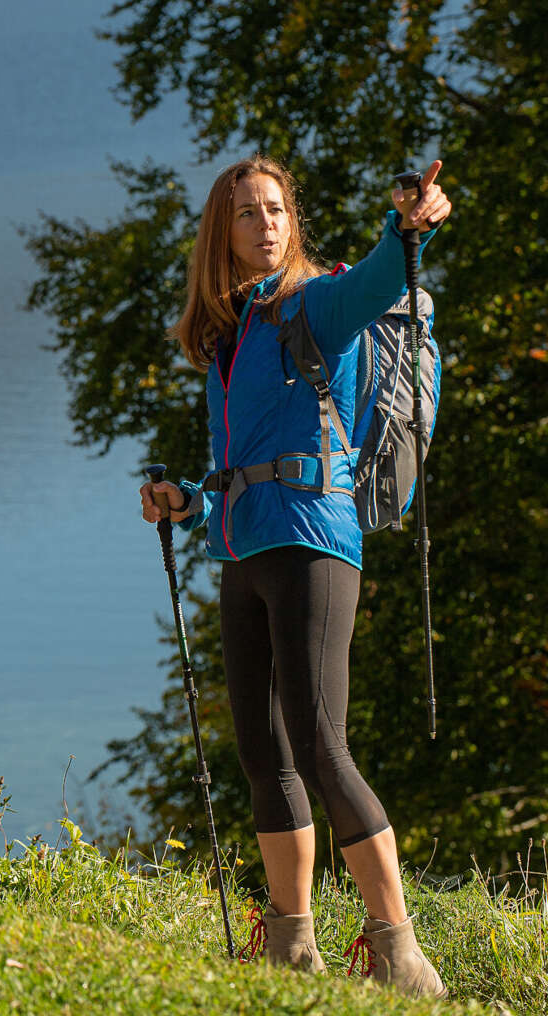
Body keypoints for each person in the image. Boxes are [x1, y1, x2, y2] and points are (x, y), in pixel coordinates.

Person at [139, 157, 451, 997]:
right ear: (223, 232)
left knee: (320, 743)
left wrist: (408, 224)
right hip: (242, 553)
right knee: (261, 751)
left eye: (276, 210)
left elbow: (387, 276)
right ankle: (291, 945)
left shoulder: (318, 304)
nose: (266, 223)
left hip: (315, 542)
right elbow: (233, 466)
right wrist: (187, 504)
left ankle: (398, 948)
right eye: (248, 213)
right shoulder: (229, 333)